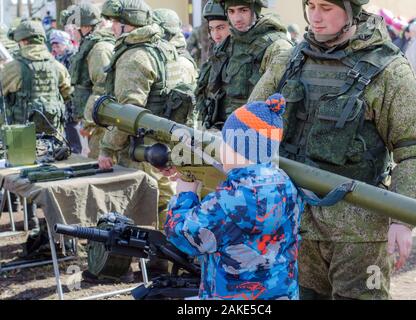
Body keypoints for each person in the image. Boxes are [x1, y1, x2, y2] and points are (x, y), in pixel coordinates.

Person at [249, 0, 416, 299]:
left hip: (358, 235)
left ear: (351, 11)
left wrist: (403, 219)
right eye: (310, 5)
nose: (315, 17)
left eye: (326, 7)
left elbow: (413, 148)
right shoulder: (288, 61)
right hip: (294, 222)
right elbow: (248, 126)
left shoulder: (388, 70)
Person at [165, 94, 303, 300]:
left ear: (234, 148)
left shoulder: (230, 199)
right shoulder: (285, 183)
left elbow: (183, 236)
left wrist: (185, 191)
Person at [98, 0, 190, 234]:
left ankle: (145, 265)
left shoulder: (135, 57)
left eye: (114, 22)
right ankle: (166, 264)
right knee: (164, 203)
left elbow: (128, 114)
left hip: (142, 149)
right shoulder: (165, 49)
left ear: (125, 25)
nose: (110, 27)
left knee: (138, 211)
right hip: (166, 143)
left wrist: (107, 148)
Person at [0, 19, 72, 231]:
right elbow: (67, 91)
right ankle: (57, 226)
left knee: (24, 176)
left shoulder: (13, 68)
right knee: (54, 176)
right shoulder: (56, 65)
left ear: (22, 41)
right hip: (53, 133)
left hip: (22, 135)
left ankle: (30, 220)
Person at [197, 0, 292, 130]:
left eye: (243, 10)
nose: (237, 18)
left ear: (255, 10)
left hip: (253, 135)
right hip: (221, 133)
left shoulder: (276, 46)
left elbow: (284, 105)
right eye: (231, 11)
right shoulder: (229, 43)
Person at [60, 3, 115, 158]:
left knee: (100, 168)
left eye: (73, 27)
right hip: (95, 122)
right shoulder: (91, 45)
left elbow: (103, 88)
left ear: (85, 27)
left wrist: (89, 122)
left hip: (100, 125)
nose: (71, 32)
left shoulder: (99, 49)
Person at [195, 0, 231, 130]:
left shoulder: (237, 56)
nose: (216, 35)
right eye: (212, 29)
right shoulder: (215, 54)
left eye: (221, 28)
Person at [50, 29, 82, 154]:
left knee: (71, 123)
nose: (55, 48)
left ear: (65, 44)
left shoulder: (72, 57)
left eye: (57, 45)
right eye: (53, 45)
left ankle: (76, 150)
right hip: (63, 96)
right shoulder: (58, 57)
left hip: (71, 96)